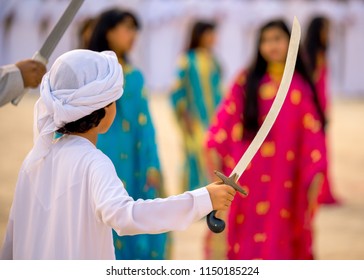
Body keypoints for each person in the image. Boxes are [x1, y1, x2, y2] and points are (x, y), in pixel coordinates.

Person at [0, 49, 235, 260]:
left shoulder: (34, 158)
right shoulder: (93, 162)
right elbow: (126, 216)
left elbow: (11, 240)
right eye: (115, 100)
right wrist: (203, 199)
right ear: (104, 109)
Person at [205, 19, 327, 260]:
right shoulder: (246, 81)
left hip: (285, 179)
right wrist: (215, 154)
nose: (272, 45)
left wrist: (315, 172)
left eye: (278, 39)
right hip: (247, 179)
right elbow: (223, 123)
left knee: (280, 234)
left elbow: (313, 137)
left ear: (290, 44)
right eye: (266, 40)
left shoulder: (300, 87)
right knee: (246, 235)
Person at [88, 9, 169, 260]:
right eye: (126, 28)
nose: (132, 35)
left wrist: (152, 164)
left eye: (135, 29)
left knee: (132, 219)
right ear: (108, 31)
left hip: (132, 163)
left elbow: (145, 126)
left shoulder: (134, 76)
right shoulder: (90, 73)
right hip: (98, 156)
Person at [170, 20, 223, 192]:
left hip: (215, 120)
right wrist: (185, 116)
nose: (212, 38)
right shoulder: (187, 60)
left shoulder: (214, 61)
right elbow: (177, 92)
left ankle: (214, 199)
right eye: (208, 34)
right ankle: (196, 197)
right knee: (197, 156)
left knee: (216, 156)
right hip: (195, 120)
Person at [304, 16, 338, 205]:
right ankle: (320, 191)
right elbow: (314, 84)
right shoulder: (316, 55)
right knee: (319, 150)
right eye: (326, 30)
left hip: (319, 106)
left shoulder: (312, 54)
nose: (328, 35)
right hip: (315, 108)